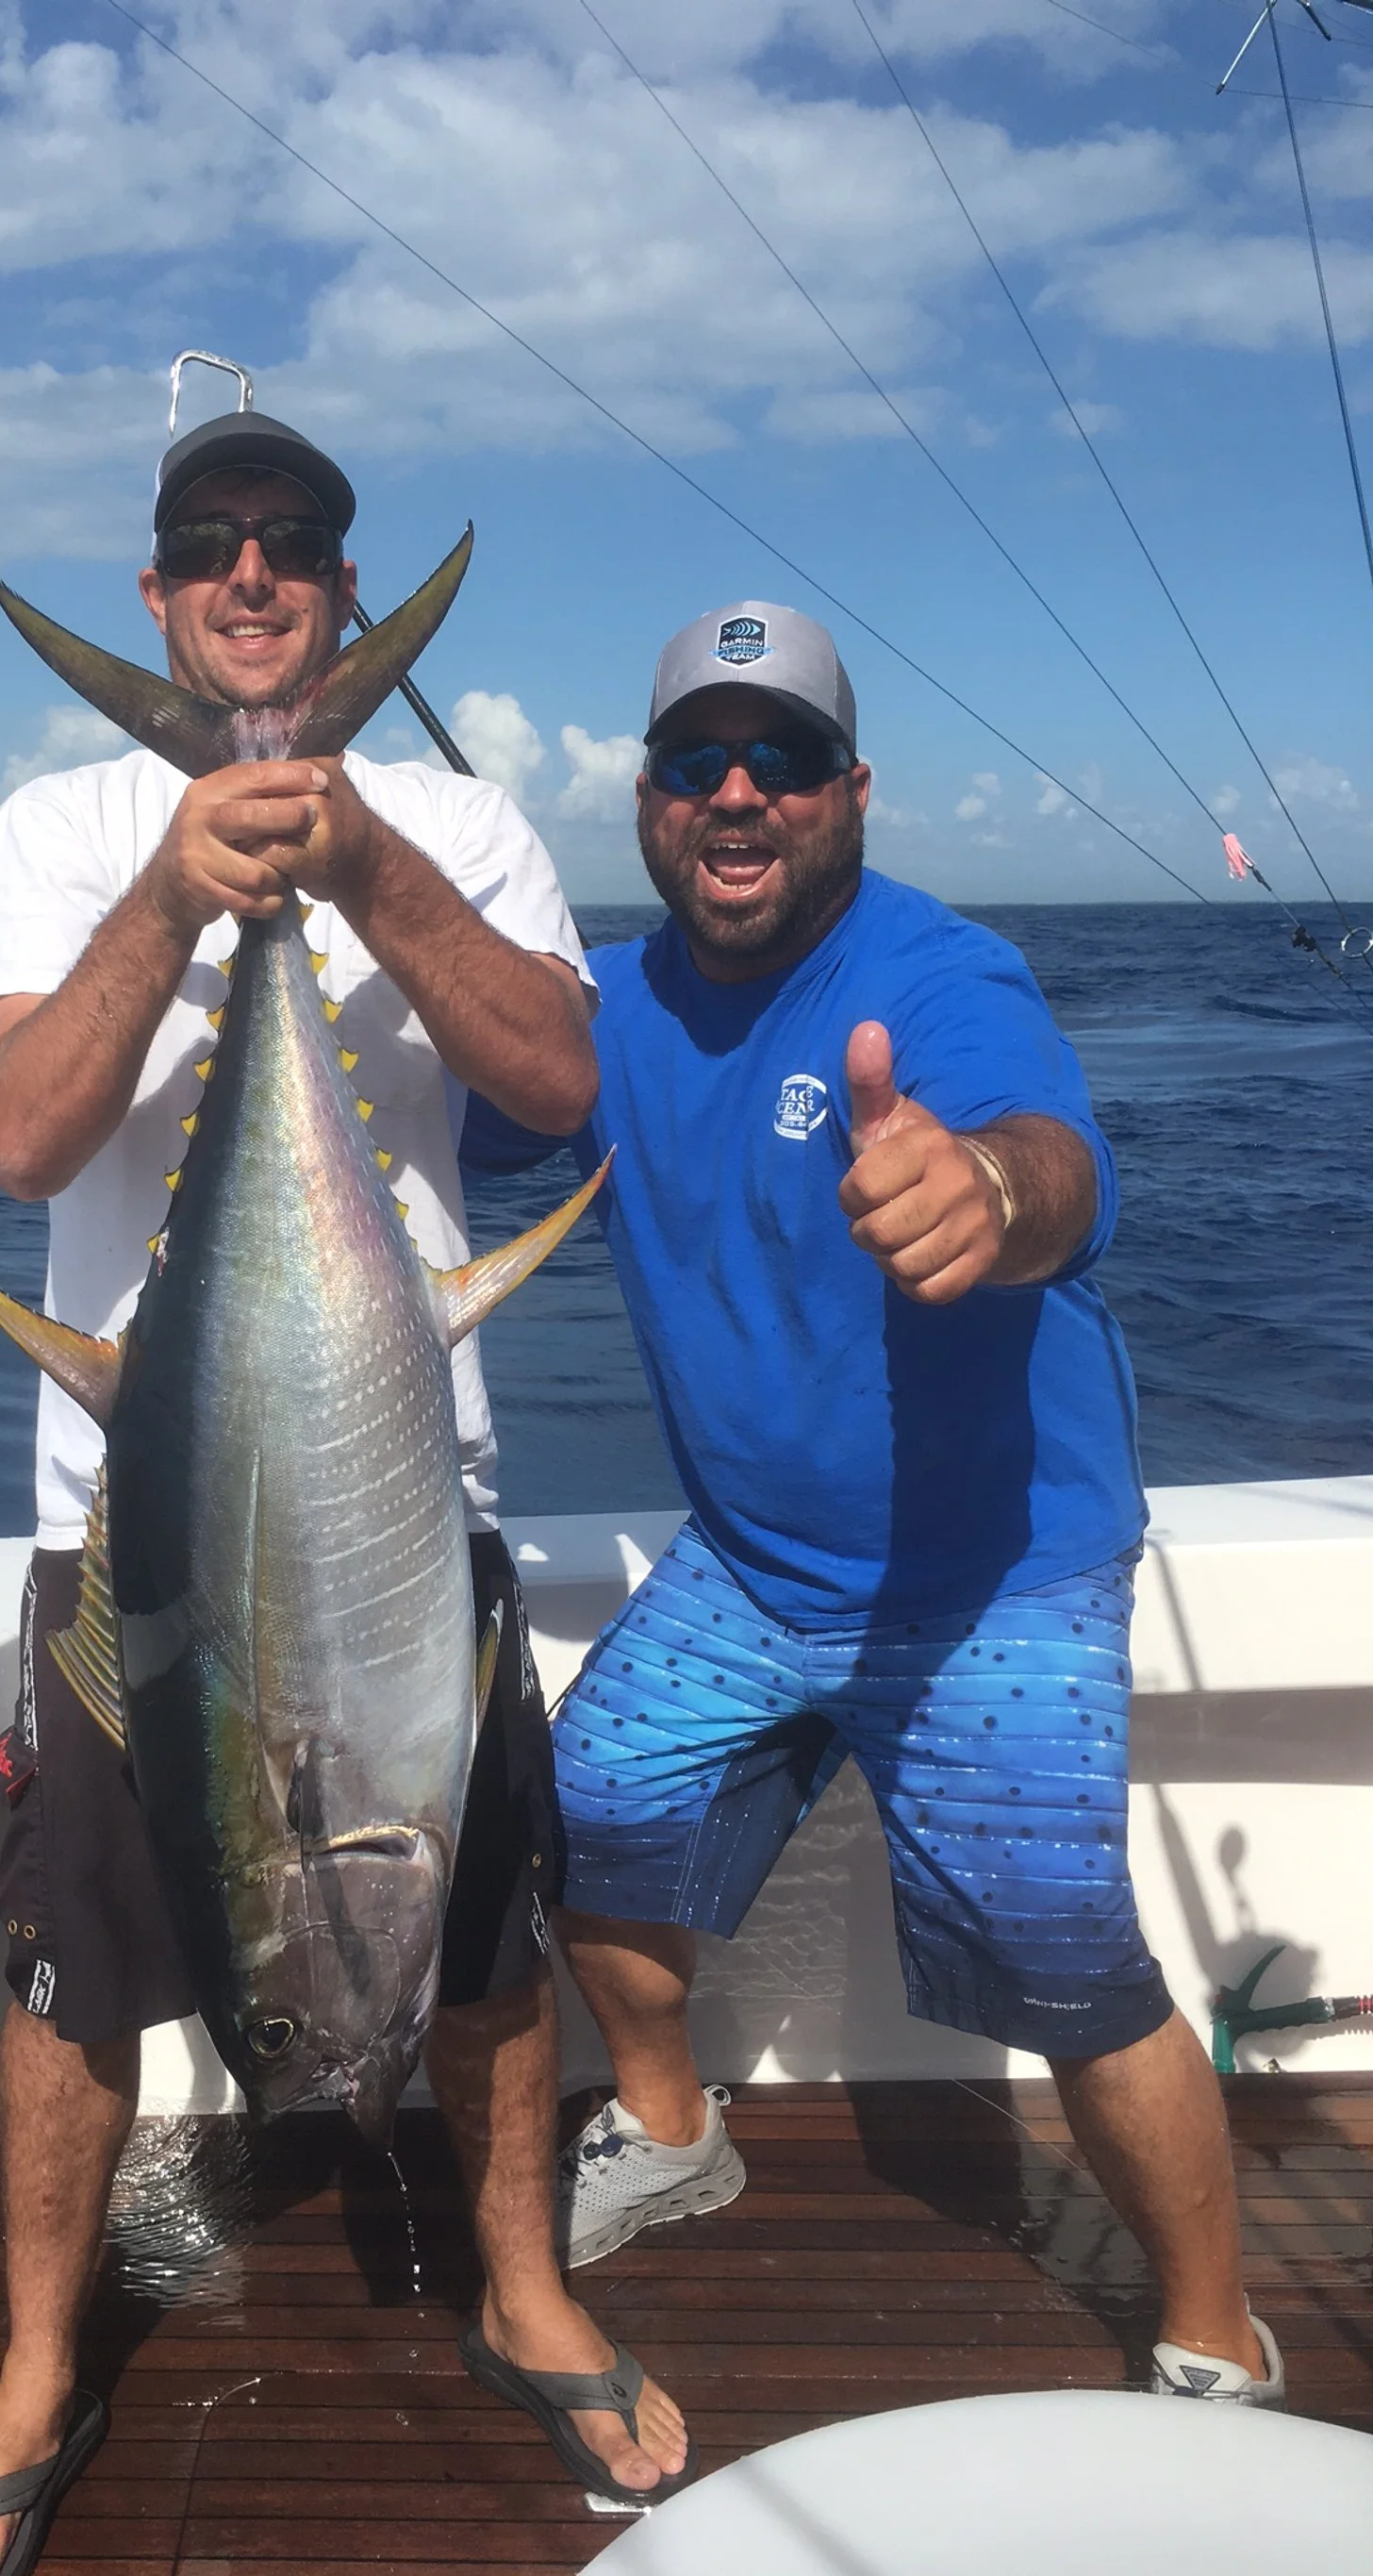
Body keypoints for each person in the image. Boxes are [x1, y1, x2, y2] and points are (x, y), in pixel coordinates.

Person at [0, 410, 686, 2576]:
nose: (251, 577)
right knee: (71, 1960)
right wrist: (178, 890)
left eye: (293, 547)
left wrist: (354, 866)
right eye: (208, 548)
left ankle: (526, 2289)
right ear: (155, 596)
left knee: (494, 1926)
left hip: (399, 1499)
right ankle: (43, 2363)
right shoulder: (65, 826)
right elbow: (26, 1141)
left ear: (342, 597)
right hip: (126, 1519)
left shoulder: (452, 814)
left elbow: (549, 1073)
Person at [463, 600, 1282, 2407]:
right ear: (648, 795)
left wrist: (988, 1183)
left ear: (853, 789)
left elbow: (1061, 1166)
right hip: (755, 1566)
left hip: (994, 1572)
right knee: (572, 1823)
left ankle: (1219, 2326)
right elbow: (424, 1139)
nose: (737, 793)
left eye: (783, 759)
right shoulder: (598, 1009)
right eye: (698, 760)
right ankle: (673, 2129)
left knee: (1067, 1959)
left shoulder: (945, 974)